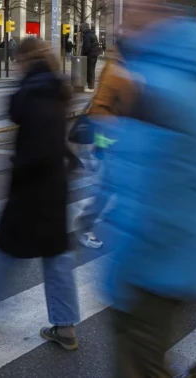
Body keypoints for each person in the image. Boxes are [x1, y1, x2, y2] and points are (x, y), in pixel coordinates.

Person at [101, 0, 196, 378]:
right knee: (147, 360)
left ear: (155, 20)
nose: (121, 25)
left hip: (151, 265)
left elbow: (145, 186)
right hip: (185, 257)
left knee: (140, 365)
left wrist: (125, 266)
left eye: (132, 14)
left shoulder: (157, 90)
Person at [0, 36, 81, 350]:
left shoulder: (32, 91)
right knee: (56, 256)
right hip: (53, 185)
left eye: (17, 61)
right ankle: (65, 326)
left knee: (5, 251)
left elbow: (30, 131)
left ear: (24, 61)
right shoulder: (55, 87)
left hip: (32, 187)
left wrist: (21, 171)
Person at [75, 39, 136, 250]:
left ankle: (111, 219)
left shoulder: (123, 66)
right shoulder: (117, 70)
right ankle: (84, 226)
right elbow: (102, 107)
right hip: (113, 136)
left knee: (114, 184)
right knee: (105, 186)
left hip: (117, 136)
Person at [79, 23, 99, 92]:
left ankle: (91, 87)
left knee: (89, 71)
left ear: (83, 29)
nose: (81, 32)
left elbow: (87, 47)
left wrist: (83, 54)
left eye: (81, 30)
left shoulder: (87, 35)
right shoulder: (93, 34)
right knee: (92, 70)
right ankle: (91, 86)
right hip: (94, 55)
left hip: (90, 56)